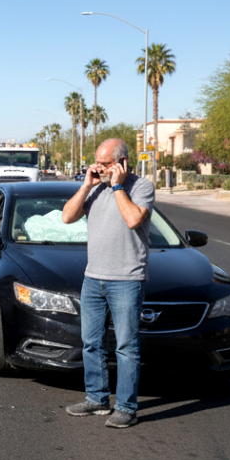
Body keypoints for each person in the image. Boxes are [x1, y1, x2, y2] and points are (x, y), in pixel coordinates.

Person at [61, 139, 153, 428]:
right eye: (97, 163)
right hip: (93, 277)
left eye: (105, 164)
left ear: (123, 162)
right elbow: (67, 216)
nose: (98, 168)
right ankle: (97, 399)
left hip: (126, 279)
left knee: (126, 346)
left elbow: (133, 219)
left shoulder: (141, 187)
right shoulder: (94, 188)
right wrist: (86, 185)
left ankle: (126, 407)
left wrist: (117, 187)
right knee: (91, 343)